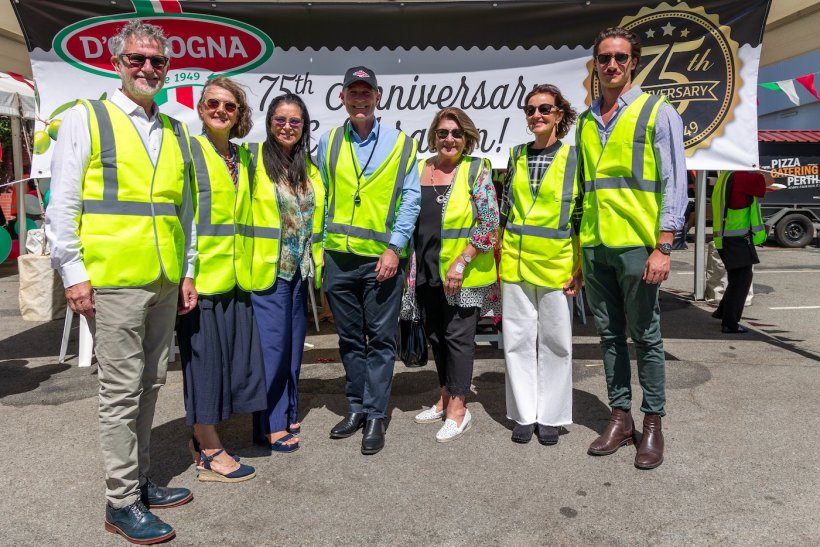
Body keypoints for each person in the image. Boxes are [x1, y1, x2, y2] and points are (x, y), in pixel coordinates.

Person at [45, 20, 197, 544]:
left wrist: (188, 271)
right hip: (111, 281)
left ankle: (141, 480)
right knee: (119, 390)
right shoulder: (88, 119)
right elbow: (61, 203)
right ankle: (120, 501)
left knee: (152, 383)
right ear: (118, 64)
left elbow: (185, 210)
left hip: (162, 278)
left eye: (157, 61)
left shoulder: (175, 130)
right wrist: (73, 274)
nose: (147, 68)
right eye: (137, 59)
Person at [576, 27, 687, 470]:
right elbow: (585, 190)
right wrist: (578, 252)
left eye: (621, 58)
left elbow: (674, 182)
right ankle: (619, 417)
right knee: (608, 336)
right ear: (596, 64)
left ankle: (653, 423)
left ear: (634, 63)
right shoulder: (585, 121)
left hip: (639, 247)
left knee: (647, 336)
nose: (612, 65)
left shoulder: (657, 112)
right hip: (595, 244)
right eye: (605, 58)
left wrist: (664, 245)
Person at [316, 66, 420, 455]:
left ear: (379, 97)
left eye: (367, 93)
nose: (360, 99)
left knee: (378, 339)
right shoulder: (328, 143)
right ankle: (356, 407)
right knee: (347, 339)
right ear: (342, 97)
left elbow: (410, 199)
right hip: (339, 260)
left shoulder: (401, 144)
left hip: (382, 260)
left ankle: (376, 414)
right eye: (353, 93)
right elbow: (319, 199)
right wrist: (320, 251)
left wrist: (394, 248)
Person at [176, 76, 262, 482]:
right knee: (204, 363)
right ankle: (207, 446)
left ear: (239, 113)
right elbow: (184, 214)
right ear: (201, 107)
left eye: (230, 106)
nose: (221, 111)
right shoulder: (188, 150)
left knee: (230, 359)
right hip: (201, 278)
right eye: (213, 103)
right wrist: (185, 272)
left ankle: (207, 432)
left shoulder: (243, 158)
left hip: (238, 276)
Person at [499, 84, 582, 446]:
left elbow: (581, 217)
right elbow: (504, 211)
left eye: (544, 109)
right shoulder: (516, 155)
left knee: (556, 343)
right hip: (516, 263)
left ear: (559, 114)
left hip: (556, 265)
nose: (536, 115)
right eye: (530, 109)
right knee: (516, 341)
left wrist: (580, 268)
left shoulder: (576, 158)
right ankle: (523, 414)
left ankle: (551, 416)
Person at [411, 107, 498, 442]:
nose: (449, 139)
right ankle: (445, 396)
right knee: (436, 335)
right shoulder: (421, 169)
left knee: (459, 339)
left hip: (466, 272)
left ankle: (459, 410)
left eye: (457, 133)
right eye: (443, 132)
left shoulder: (476, 169)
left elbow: (490, 221)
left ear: (467, 138)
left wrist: (462, 260)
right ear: (434, 136)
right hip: (427, 271)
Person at [248, 93, 324, 453]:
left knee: (293, 349)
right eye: (281, 120)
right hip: (268, 270)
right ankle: (270, 424)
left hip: (300, 271)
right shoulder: (255, 162)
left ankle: (288, 410)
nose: (288, 127)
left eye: (296, 121)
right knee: (273, 352)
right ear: (269, 122)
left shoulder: (307, 166)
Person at [710, 170, 768, 333]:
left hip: (725, 237)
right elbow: (766, 182)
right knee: (742, 280)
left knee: (736, 278)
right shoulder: (743, 176)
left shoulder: (726, 175)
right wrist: (759, 169)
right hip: (736, 238)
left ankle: (722, 312)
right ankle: (730, 323)